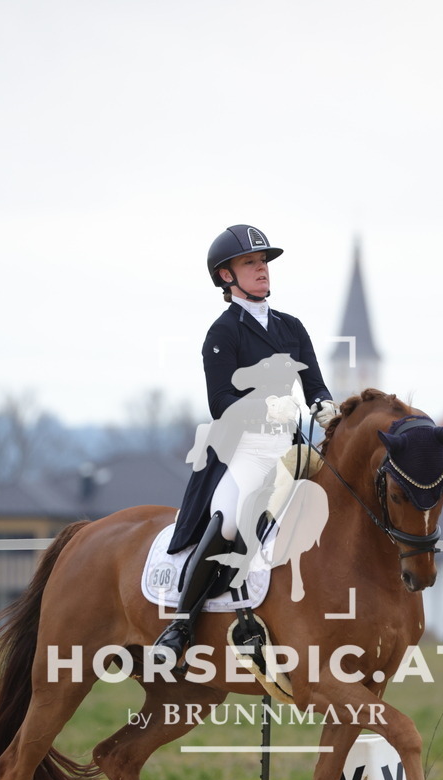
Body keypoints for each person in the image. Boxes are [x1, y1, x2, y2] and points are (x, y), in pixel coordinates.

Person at [152, 224, 337, 664]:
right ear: (226, 276)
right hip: (245, 453)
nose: (261, 269)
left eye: (264, 262)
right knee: (231, 520)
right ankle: (181, 624)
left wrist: (327, 409)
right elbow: (221, 403)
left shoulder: (291, 328)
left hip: (293, 448)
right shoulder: (223, 333)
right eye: (250, 263)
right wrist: (261, 409)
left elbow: (314, 386)